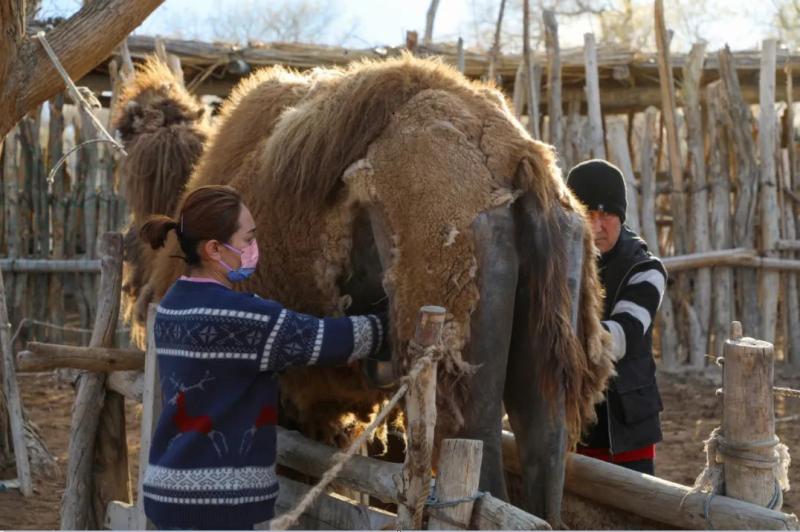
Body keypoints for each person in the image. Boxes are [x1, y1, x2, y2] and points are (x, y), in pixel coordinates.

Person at [138, 185, 389, 530]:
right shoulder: (246, 319)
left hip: (168, 492)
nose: (255, 249)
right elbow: (330, 340)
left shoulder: (171, 306)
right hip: (221, 508)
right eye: (248, 239)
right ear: (214, 249)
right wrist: (397, 323)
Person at [566, 159, 666, 476]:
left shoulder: (646, 271)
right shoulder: (559, 265)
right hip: (572, 433)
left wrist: (553, 338)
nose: (596, 226)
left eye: (606, 214)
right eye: (588, 215)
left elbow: (618, 339)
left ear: (620, 216)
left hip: (625, 437)